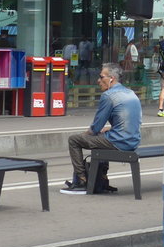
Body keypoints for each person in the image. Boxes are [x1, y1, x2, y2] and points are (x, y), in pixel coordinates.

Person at [61, 62, 142, 195]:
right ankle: (102, 180)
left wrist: (85, 134)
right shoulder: (131, 93)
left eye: (101, 77)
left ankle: (81, 180)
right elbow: (132, 121)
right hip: (133, 141)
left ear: (111, 79)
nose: (98, 81)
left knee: (74, 140)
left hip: (119, 142)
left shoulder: (108, 96)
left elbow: (96, 127)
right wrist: (110, 129)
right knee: (101, 138)